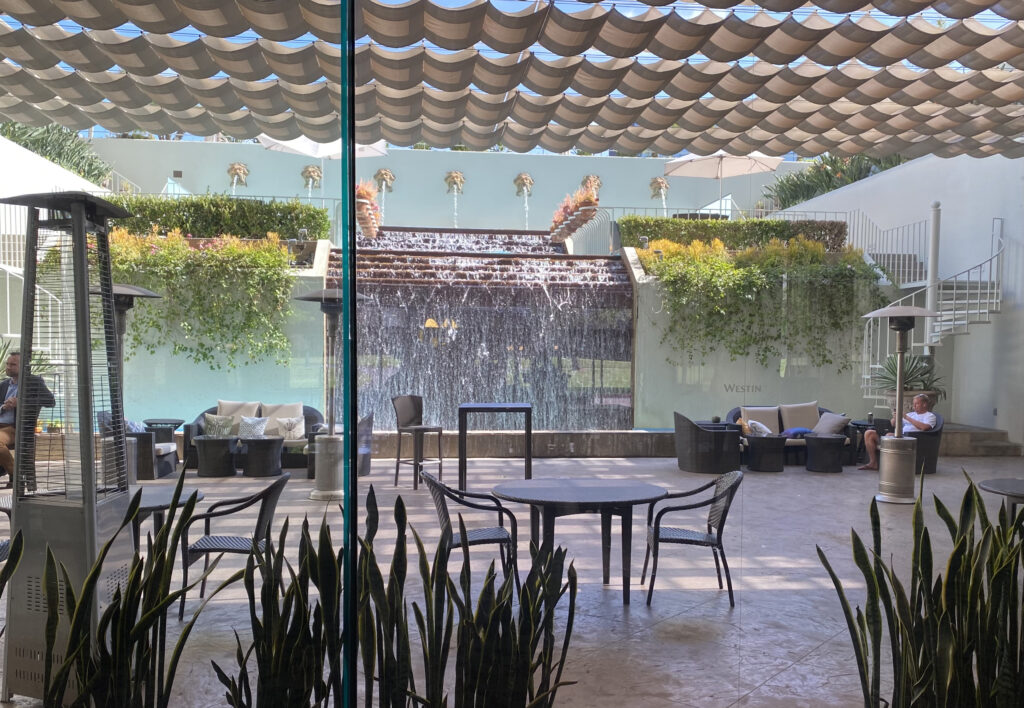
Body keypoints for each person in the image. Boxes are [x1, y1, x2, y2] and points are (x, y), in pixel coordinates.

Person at [0, 351, 56, 485]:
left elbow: (50, 401)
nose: (8, 367)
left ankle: (15, 474)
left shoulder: (34, 382)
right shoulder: (4, 384)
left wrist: (20, 402)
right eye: (7, 364)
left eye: (12, 364)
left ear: (23, 366)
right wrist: (3, 407)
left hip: (16, 427)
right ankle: (5, 469)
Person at [858, 393, 936, 471]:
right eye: (913, 403)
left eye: (917, 404)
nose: (914, 406)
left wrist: (906, 417)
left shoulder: (930, 416)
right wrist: (895, 418)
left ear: (924, 404)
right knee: (869, 433)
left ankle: (890, 465)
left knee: (888, 435)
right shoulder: (911, 414)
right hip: (900, 436)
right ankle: (873, 462)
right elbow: (892, 424)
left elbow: (924, 427)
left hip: (912, 440)